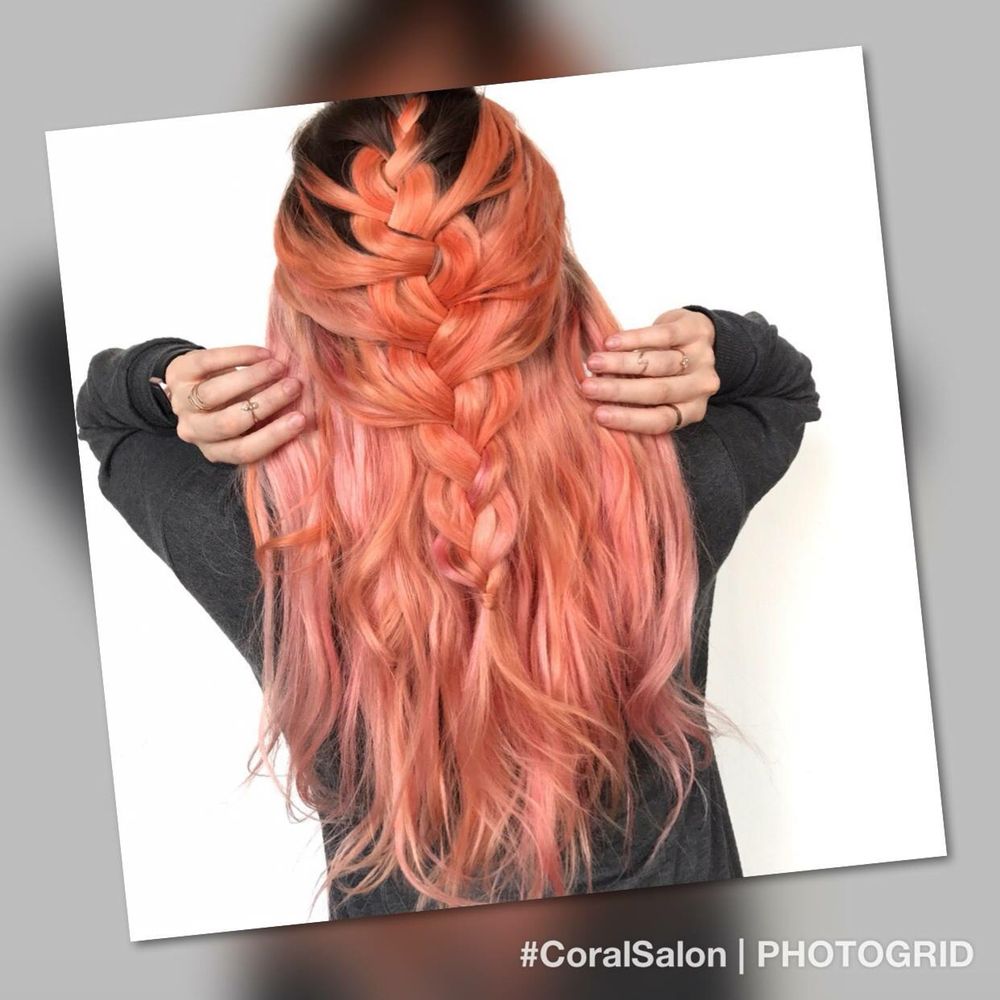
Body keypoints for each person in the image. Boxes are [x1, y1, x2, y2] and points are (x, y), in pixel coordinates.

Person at [76, 88, 821, 920]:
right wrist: (714, 341)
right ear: (550, 276)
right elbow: (786, 390)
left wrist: (166, 377)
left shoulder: (258, 531)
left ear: (309, 303)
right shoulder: (670, 479)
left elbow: (104, 419)